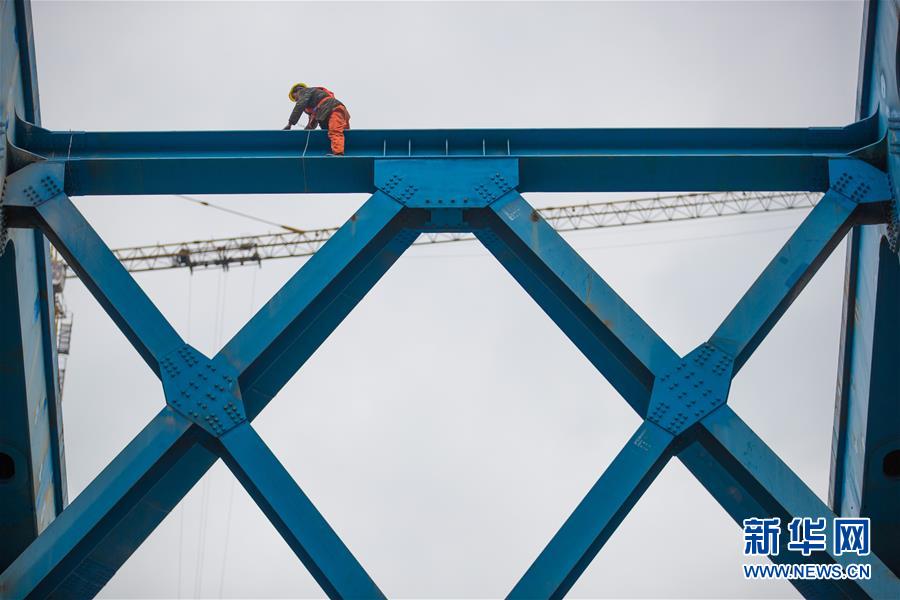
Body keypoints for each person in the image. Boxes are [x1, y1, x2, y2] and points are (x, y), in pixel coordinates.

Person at [283, 83, 351, 156]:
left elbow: (300, 106)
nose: (297, 100)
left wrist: (290, 123)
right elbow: (314, 120)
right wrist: (308, 129)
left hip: (334, 110)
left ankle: (338, 153)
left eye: (295, 98)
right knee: (345, 133)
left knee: (334, 131)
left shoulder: (304, 91)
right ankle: (348, 151)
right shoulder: (316, 98)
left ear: (296, 92)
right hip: (338, 110)